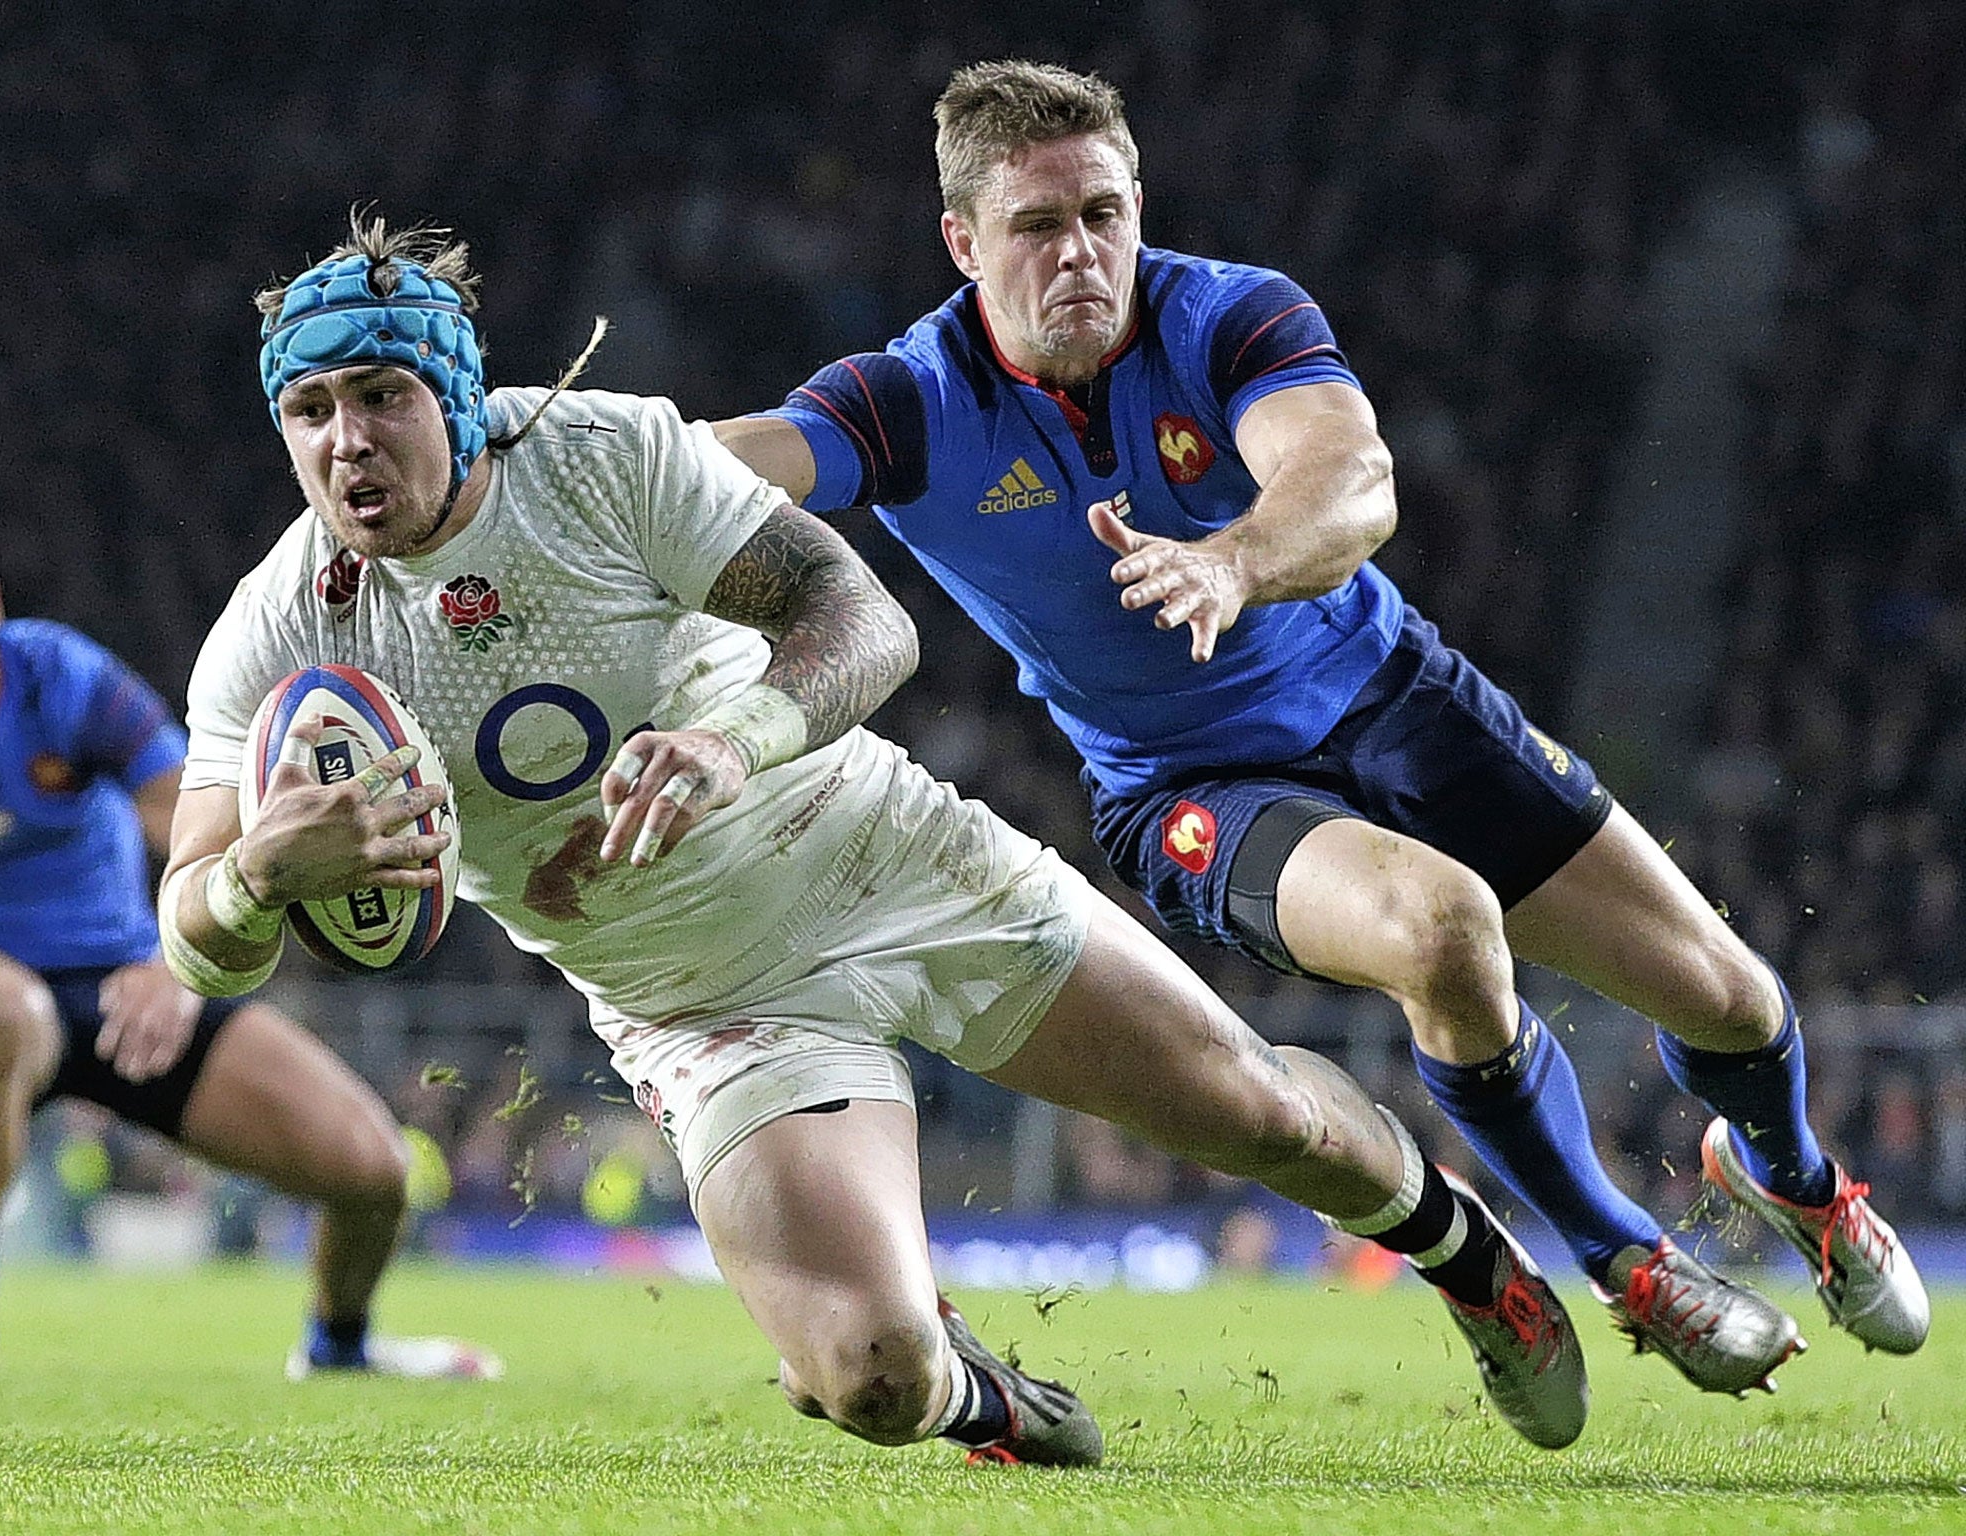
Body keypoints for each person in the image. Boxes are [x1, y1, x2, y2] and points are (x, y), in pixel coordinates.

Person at [163, 207, 1596, 1461]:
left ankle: (1471, 1260)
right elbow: (197, 942)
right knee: (873, 1384)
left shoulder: (601, 460)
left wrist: (736, 741)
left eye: (384, 395)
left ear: (458, 395)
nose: (347, 440)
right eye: (311, 412)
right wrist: (255, 878)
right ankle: (981, 1391)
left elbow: (860, 620)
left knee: (1265, 1117)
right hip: (704, 1003)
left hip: (887, 859)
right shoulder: (278, 630)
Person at [712, 59, 1929, 1395]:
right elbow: (715, 465)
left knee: (1735, 1003)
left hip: (1398, 698)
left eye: (1104, 213)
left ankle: (1802, 1188)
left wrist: (1231, 559)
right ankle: (1625, 1260)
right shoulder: (908, 402)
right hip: (1199, 786)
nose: (1082, 252)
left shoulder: (1229, 314)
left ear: (1138, 204)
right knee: (1439, 927)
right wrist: (535, 466)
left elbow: (1351, 479)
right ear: (962, 240)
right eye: (1036, 225)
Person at [0, 516, 498, 1384]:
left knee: (373, 1170)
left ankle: (339, 1348)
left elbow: (189, 811)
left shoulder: (59, 674)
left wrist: (174, 960)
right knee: (1, 1012)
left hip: (126, 982)